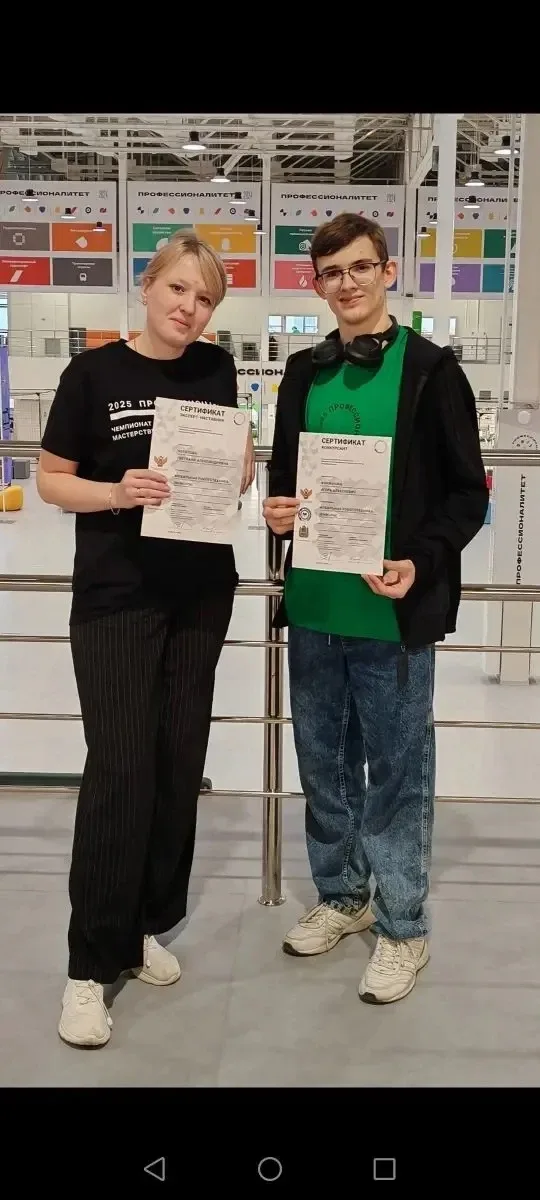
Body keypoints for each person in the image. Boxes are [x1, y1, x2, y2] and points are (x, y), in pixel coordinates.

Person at [264, 214, 488, 1005]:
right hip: (314, 605)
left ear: (387, 272)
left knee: (396, 771)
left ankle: (403, 926)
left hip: (391, 612)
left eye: (361, 267)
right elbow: (284, 479)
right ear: (316, 284)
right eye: (332, 272)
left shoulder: (431, 371)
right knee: (322, 765)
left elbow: (467, 494)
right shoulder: (302, 371)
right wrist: (277, 512)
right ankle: (343, 894)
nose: (347, 283)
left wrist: (419, 561)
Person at [38, 231, 254, 1047]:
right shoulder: (92, 374)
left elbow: (235, 458)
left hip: (199, 596)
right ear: (147, 285)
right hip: (117, 599)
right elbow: (51, 479)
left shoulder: (215, 369)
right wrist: (115, 491)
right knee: (121, 771)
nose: (189, 309)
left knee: (175, 765)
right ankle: (87, 967)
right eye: (178, 290)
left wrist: (236, 470)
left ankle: (140, 927)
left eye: (204, 299)